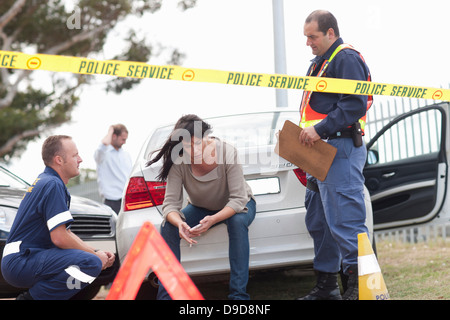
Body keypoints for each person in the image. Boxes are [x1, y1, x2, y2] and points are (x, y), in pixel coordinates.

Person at [297, 10, 372, 300]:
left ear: (330, 33)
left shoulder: (346, 58)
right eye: (306, 37)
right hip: (319, 152)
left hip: (339, 148)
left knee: (345, 219)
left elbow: (355, 105)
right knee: (319, 220)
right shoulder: (321, 62)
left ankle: (358, 288)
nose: (308, 43)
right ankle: (327, 287)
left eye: (312, 37)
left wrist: (320, 129)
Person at [146, 114, 256, 300]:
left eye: (198, 143)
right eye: (188, 145)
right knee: (168, 226)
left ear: (207, 136)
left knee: (237, 222)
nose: (194, 149)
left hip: (236, 205)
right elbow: (170, 205)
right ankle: (166, 297)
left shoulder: (226, 152)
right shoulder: (179, 160)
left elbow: (238, 199)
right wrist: (180, 223)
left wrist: (213, 219)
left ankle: (238, 296)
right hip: (201, 207)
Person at [1, 135, 115, 300]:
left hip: (23, 259)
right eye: (75, 155)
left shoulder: (48, 181)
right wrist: (95, 256)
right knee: (90, 263)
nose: (80, 159)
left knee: (89, 259)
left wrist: (95, 251)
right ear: (59, 160)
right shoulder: (52, 184)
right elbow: (60, 238)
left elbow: (65, 233)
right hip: (22, 260)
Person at [94, 124, 132, 214]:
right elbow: (103, 144)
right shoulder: (102, 154)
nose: (124, 142)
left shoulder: (126, 155)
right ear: (114, 136)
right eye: (123, 139)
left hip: (127, 199)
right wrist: (110, 131)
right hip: (111, 201)